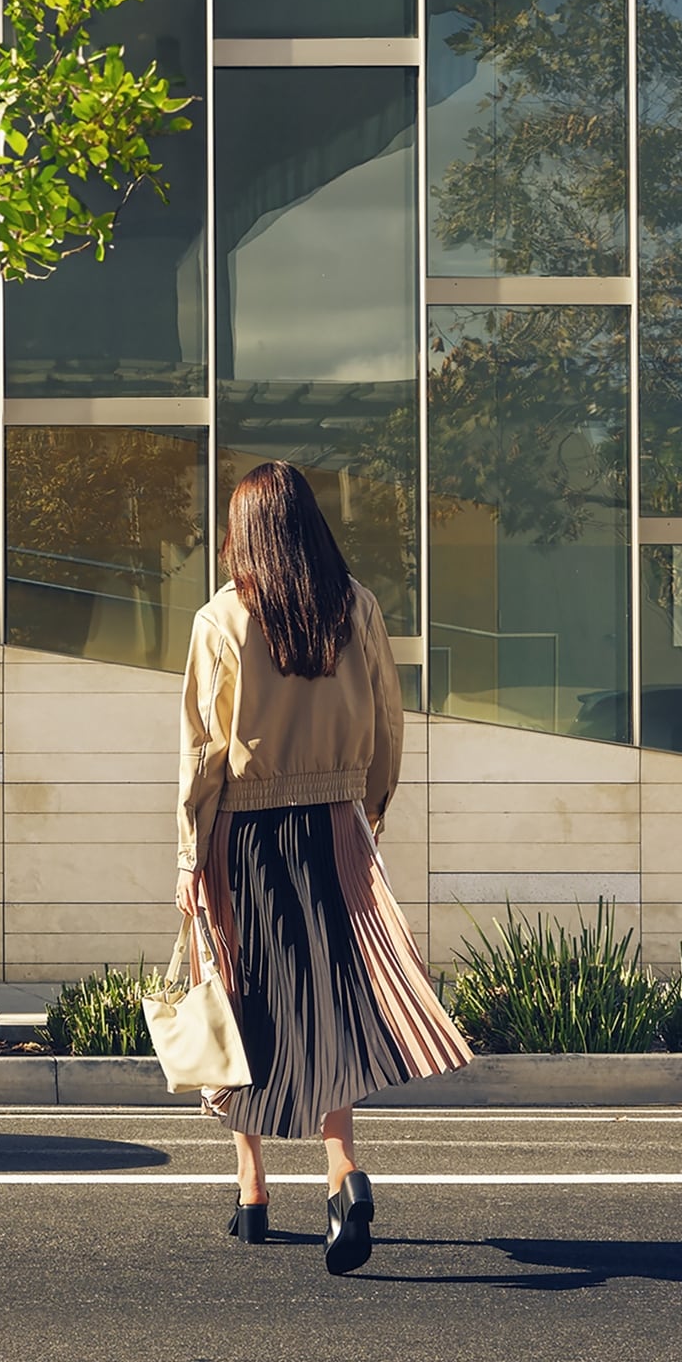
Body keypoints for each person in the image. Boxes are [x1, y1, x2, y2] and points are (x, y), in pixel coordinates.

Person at [177, 462, 470, 1272]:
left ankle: (252, 1188)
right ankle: (342, 1172)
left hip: (246, 836)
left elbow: (202, 755)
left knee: (243, 1001)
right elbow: (385, 722)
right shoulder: (356, 608)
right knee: (326, 1007)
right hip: (336, 826)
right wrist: (366, 811)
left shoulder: (220, 620)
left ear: (247, 533)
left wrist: (189, 855)